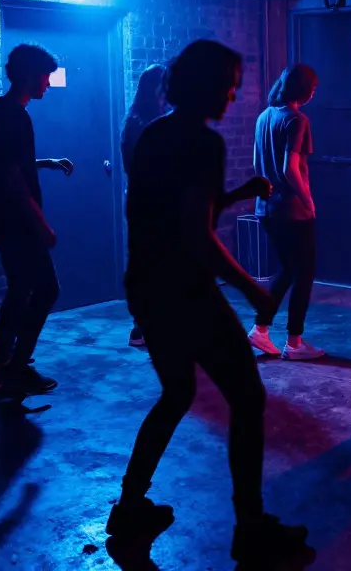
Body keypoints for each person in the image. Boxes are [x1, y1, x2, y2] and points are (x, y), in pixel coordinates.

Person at [109, 39, 309, 565]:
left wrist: (240, 194)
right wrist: (250, 286)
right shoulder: (202, 143)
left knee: (176, 394)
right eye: (229, 81)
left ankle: (128, 506)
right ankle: (249, 530)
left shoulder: (154, 135)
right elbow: (196, 234)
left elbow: (177, 211)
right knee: (248, 399)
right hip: (187, 291)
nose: (235, 91)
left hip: (148, 286)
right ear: (207, 85)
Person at [0, 44, 73, 396]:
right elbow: (11, 177)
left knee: (20, 290)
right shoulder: (15, 116)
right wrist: (41, 224)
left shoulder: (0, 111)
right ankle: (13, 366)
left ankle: (2, 369)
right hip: (14, 221)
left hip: (2, 219)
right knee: (46, 289)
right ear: (31, 75)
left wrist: (45, 163)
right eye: (46, 76)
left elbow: (8, 163)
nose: (48, 82)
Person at [248, 64, 326, 360]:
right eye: (313, 87)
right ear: (304, 90)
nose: (314, 92)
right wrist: (308, 201)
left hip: (266, 208)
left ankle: (261, 330)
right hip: (293, 210)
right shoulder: (296, 120)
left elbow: (258, 165)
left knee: (286, 270)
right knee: (303, 272)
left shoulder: (263, 117)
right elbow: (290, 169)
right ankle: (294, 343)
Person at [121, 64, 168, 347]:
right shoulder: (145, 123)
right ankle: (146, 325)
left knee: (147, 262)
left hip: (143, 199)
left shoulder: (136, 119)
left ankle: (143, 325)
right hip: (152, 201)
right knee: (153, 263)